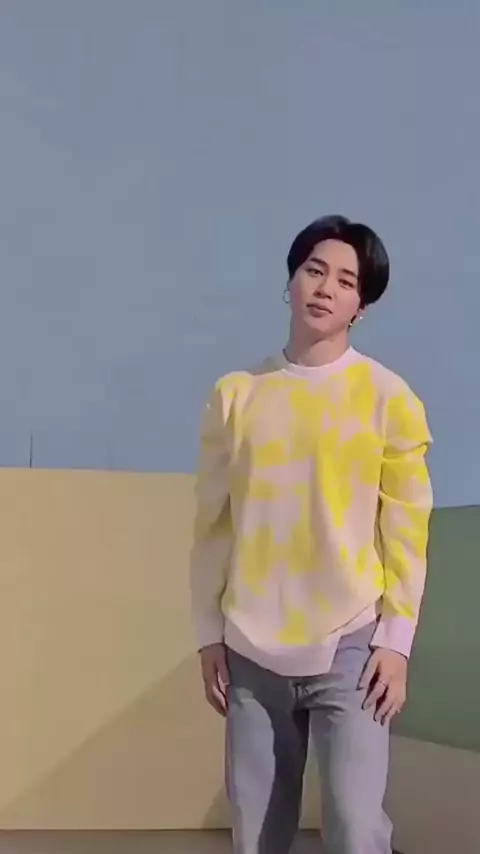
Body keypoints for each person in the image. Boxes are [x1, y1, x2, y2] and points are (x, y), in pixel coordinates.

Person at [189, 215, 432, 854]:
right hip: (250, 647)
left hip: (352, 645)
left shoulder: (388, 397)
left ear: (361, 306)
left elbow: (406, 530)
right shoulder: (236, 396)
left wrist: (397, 643)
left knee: (355, 827)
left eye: (347, 281)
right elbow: (212, 524)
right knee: (257, 835)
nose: (326, 287)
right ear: (291, 280)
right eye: (314, 270)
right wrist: (208, 633)